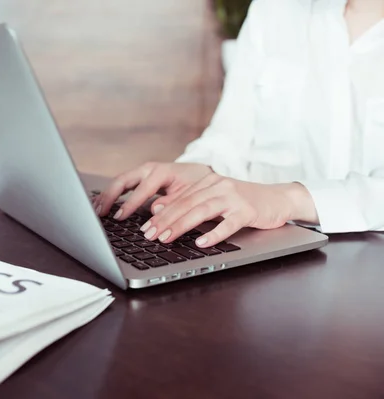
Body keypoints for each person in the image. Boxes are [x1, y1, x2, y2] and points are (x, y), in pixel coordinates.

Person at [94, 0, 384, 249]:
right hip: (264, 255)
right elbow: (230, 137)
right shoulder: (274, 9)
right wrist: (203, 170)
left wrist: (289, 199)